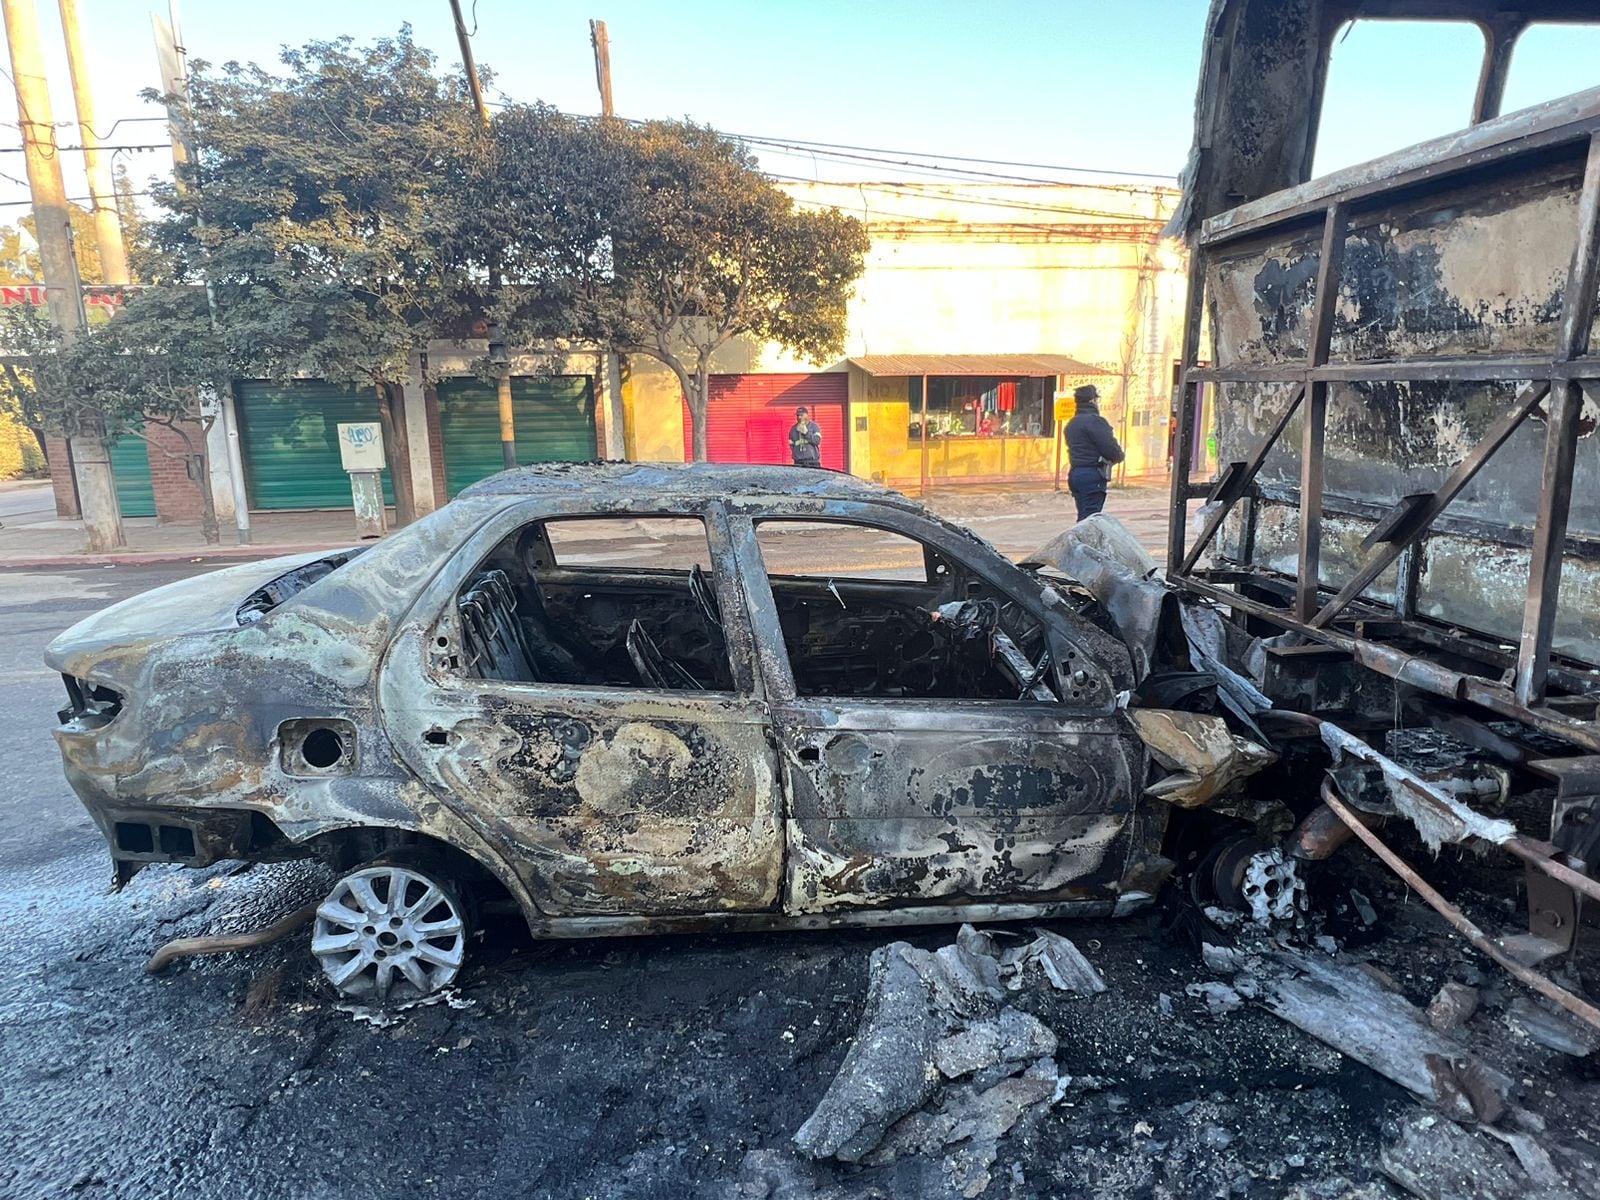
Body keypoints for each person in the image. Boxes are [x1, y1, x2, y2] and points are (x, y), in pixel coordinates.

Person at [1064, 384, 1124, 521]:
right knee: (1091, 519)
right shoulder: (1095, 422)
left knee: (1083, 516)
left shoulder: (1072, 423)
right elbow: (1110, 448)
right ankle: (1082, 542)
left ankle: (1079, 541)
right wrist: (1119, 456)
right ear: (1092, 401)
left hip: (1076, 473)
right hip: (1092, 474)